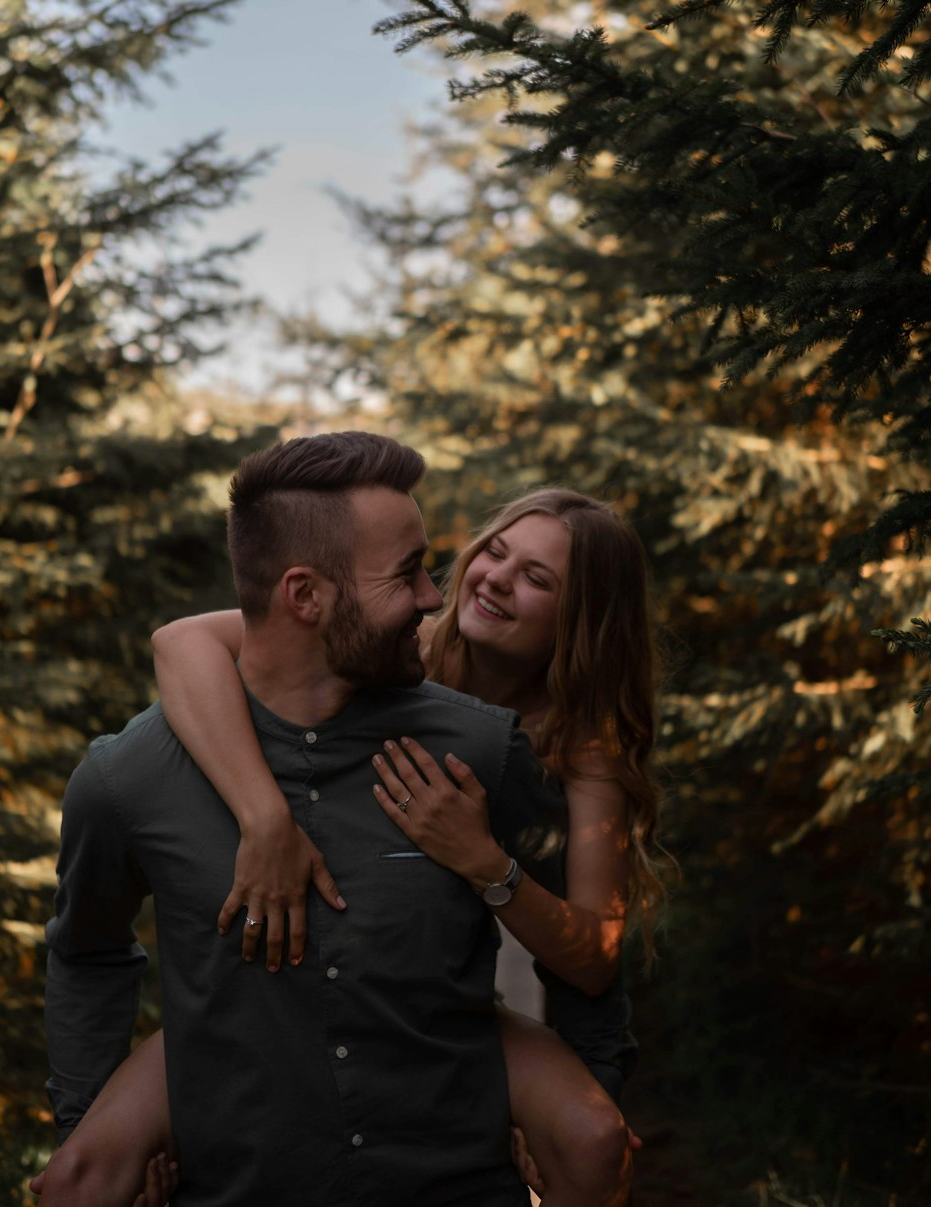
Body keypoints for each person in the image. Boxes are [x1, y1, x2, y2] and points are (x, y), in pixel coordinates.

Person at [37, 433, 645, 1207]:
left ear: (581, 620)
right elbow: (188, 639)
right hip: (262, 1016)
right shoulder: (401, 641)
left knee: (581, 1135)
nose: (468, 583)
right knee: (80, 1179)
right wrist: (264, 816)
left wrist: (483, 861)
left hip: (459, 982)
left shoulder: (553, 749)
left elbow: (594, 959)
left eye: (537, 578)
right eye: (491, 552)